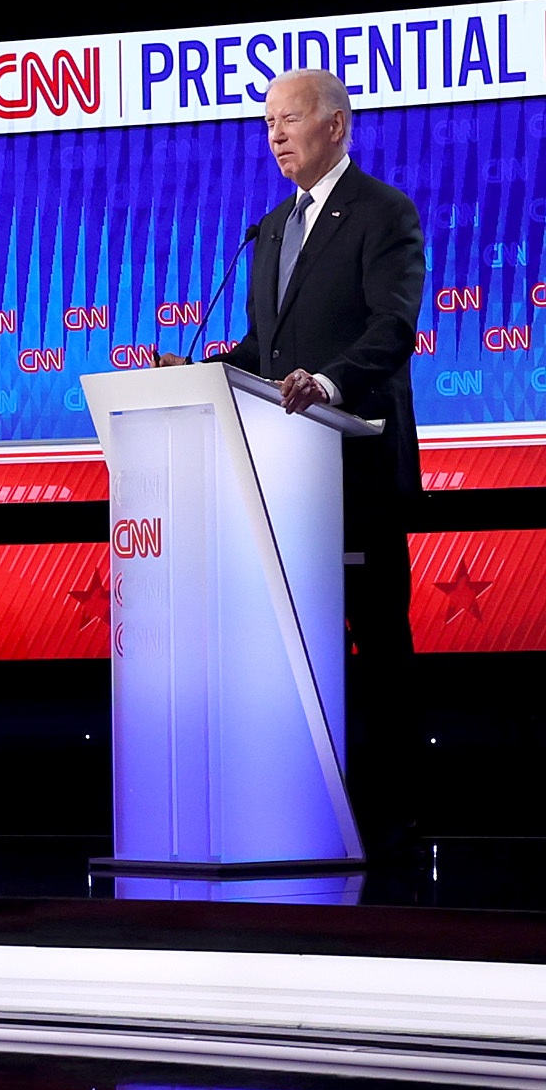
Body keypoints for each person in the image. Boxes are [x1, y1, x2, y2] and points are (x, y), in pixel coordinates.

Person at [181, 69, 427, 855]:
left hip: (355, 466)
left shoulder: (383, 214)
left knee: (376, 643)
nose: (274, 136)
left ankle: (392, 818)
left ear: (336, 126)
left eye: (288, 120)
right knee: (297, 644)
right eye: (266, 125)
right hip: (283, 479)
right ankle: (305, 807)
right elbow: (265, 351)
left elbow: (392, 330)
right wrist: (204, 372)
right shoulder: (270, 230)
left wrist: (325, 383)